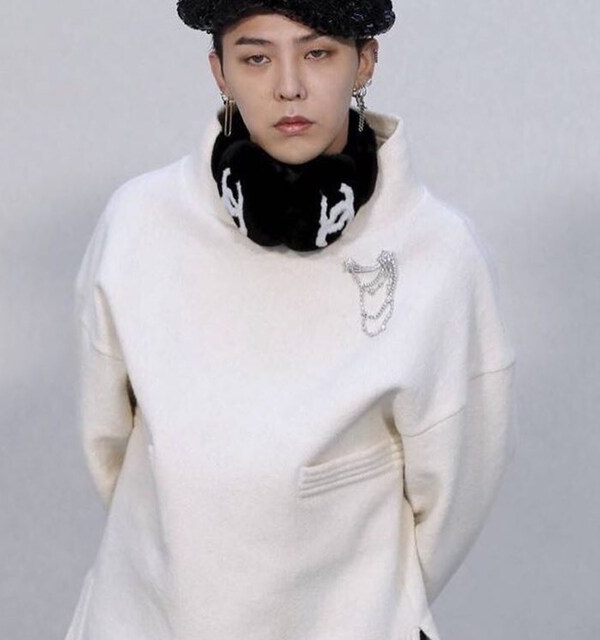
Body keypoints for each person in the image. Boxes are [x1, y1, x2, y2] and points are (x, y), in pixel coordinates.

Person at [64, 2, 517, 639]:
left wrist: (363, 609)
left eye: (318, 52)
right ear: (220, 72)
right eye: (256, 58)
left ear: (365, 61)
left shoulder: (438, 252)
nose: (288, 86)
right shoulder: (140, 222)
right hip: (143, 619)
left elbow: (456, 486)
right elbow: (105, 440)